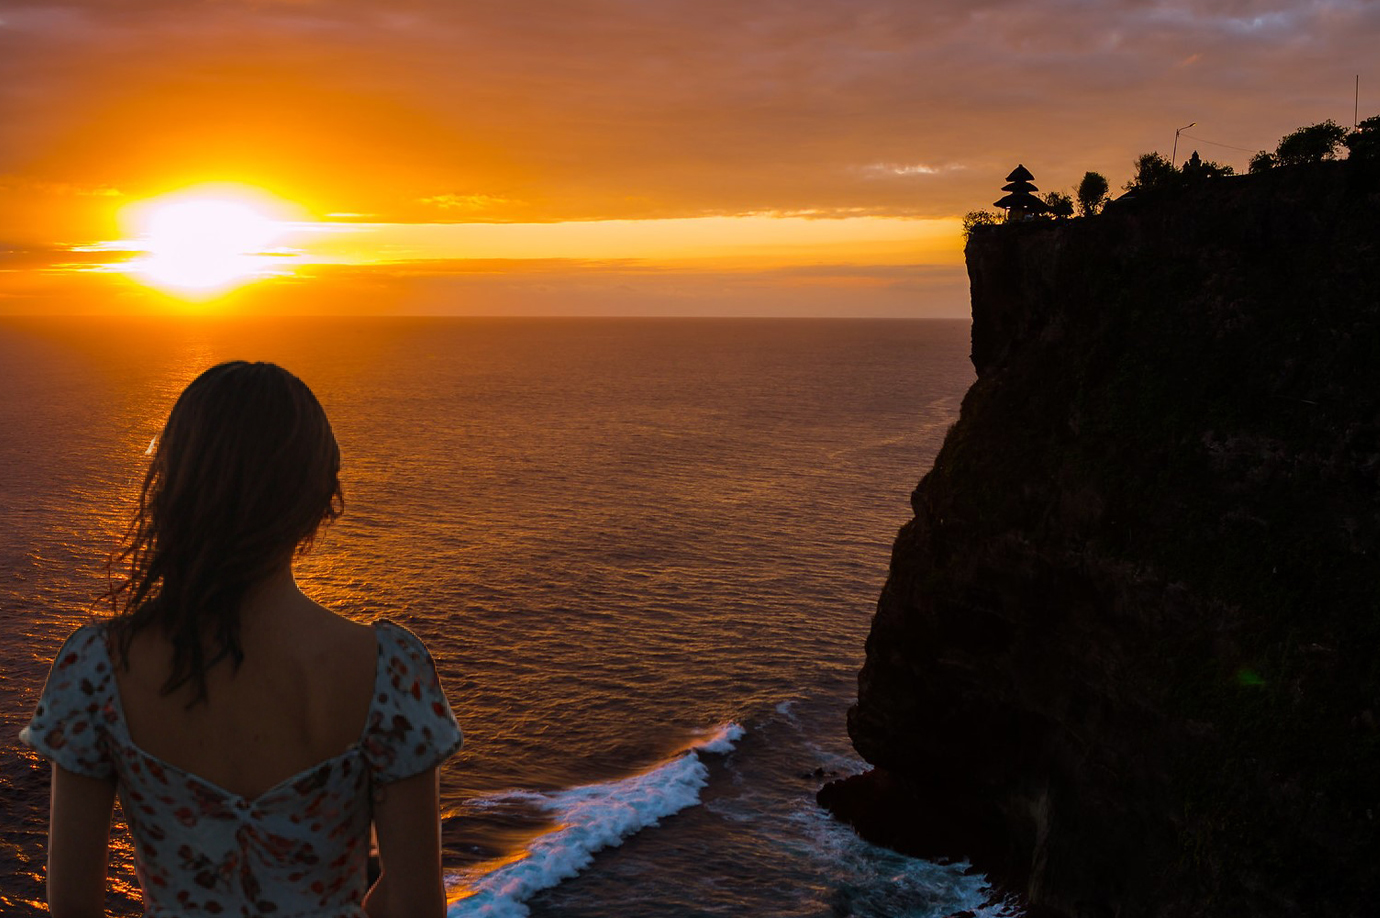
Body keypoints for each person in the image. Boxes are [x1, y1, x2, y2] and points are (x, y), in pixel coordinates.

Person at [20, 361, 462, 918]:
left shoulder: (96, 667)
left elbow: (71, 903)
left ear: (173, 489)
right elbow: (415, 901)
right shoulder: (392, 670)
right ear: (320, 500)